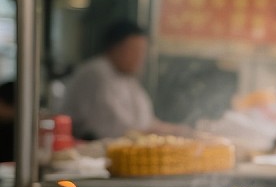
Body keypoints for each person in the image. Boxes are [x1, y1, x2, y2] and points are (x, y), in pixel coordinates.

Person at [60, 19, 188, 140]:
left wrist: (180, 130)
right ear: (115, 48)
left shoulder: (127, 77)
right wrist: (165, 133)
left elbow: (147, 121)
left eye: (142, 52)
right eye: (134, 51)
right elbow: (116, 128)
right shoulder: (97, 73)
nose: (139, 59)